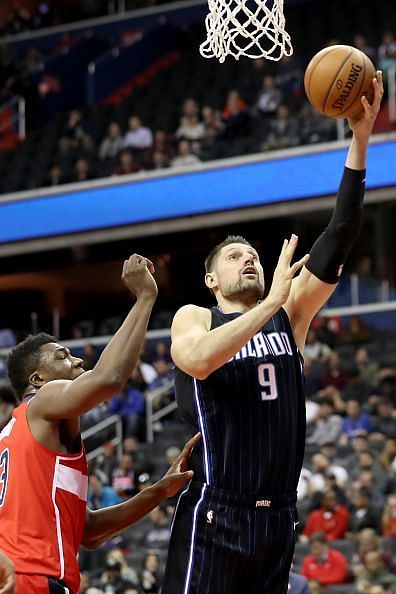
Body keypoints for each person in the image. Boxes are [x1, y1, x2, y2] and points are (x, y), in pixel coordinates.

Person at [161, 72, 383, 594]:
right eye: (236, 257)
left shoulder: (289, 312)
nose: (250, 261)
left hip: (278, 518)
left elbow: (340, 233)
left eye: (254, 256)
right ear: (212, 279)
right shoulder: (196, 315)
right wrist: (270, 305)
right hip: (218, 514)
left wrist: (360, 138)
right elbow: (196, 362)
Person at [0, 253, 199, 594]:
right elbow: (108, 378)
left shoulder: (28, 434)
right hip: (31, 578)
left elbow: (88, 531)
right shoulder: (42, 401)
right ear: (37, 378)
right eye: (62, 356)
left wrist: (158, 491)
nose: (76, 359)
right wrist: (144, 298)